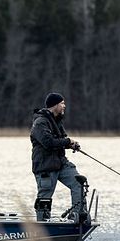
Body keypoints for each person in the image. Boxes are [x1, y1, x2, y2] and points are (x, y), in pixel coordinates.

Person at [30, 92, 84, 221]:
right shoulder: (40, 122)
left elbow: (61, 140)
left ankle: (78, 215)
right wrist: (67, 141)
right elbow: (48, 143)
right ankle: (43, 224)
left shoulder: (56, 121)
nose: (64, 106)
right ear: (55, 105)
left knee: (79, 184)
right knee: (45, 197)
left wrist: (71, 144)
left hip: (61, 163)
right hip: (45, 166)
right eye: (62, 103)